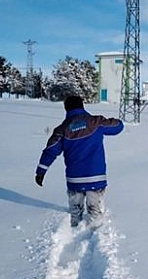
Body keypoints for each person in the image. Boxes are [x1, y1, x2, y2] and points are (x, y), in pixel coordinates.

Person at [35, 95, 124, 228]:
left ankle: (75, 228)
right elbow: (118, 127)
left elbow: (50, 151)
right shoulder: (95, 122)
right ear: (82, 106)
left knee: (75, 212)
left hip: (74, 179)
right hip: (95, 177)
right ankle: (94, 232)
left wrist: (41, 171)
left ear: (66, 109)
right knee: (95, 210)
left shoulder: (62, 129)